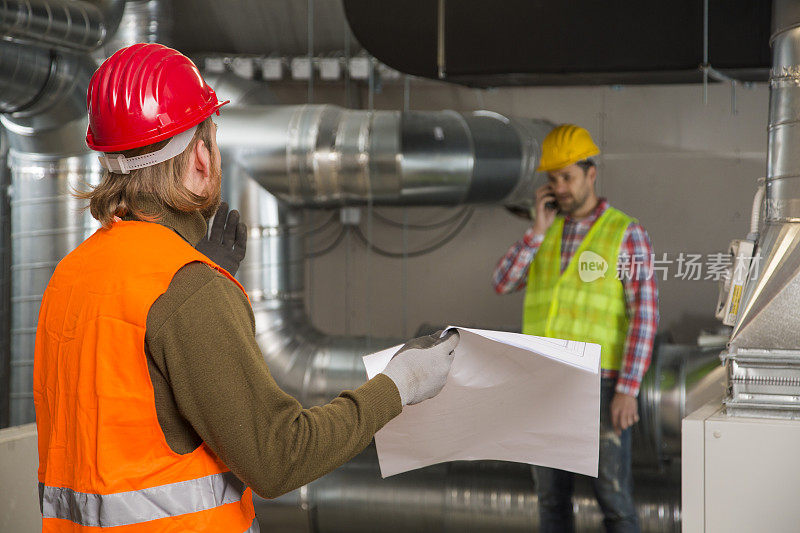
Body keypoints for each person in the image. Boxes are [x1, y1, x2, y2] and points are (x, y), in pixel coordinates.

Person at [33, 43, 459, 532]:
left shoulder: (70, 276)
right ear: (198, 157)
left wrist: (194, 277)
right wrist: (400, 385)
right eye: (211, 136)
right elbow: (279, 458)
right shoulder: (187, 291)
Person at [492, 124, 658, 533]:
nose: (560, 187)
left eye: (567, 177)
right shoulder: (545, 233)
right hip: (544, 382)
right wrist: (535, 233)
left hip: (599, 386)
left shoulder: (626, 233)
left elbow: (646, 314)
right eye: (552, 179)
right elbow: (503, 282)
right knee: (551, 501)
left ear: (591, 174)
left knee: (614, 501)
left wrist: (627, 389)